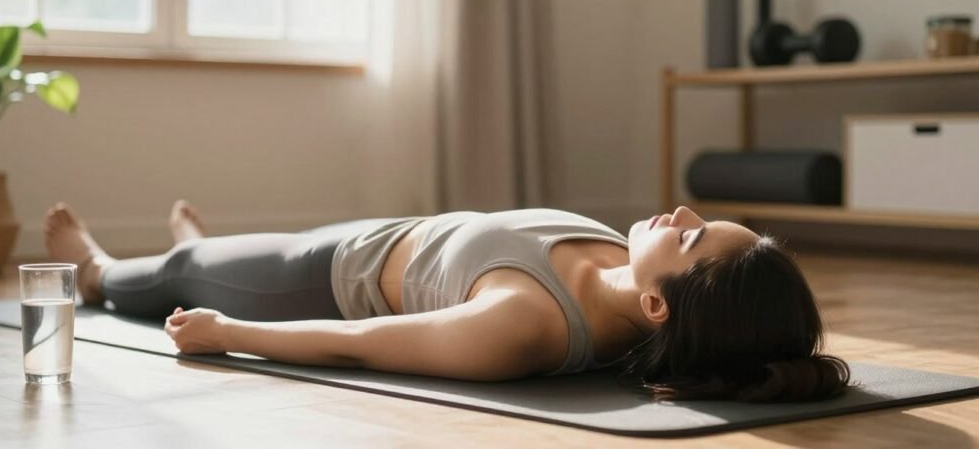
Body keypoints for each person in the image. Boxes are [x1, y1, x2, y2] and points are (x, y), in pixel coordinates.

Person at [44, 200, 850, 402]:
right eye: (697, 220)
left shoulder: (521, 324)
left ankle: (97, 268)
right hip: (386, 230)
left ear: (657, 306)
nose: (677, 216)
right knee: (209, 254)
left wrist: (231, 330)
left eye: (687, 236)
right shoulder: (623, 261)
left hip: (319, 274)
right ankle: (205, 246)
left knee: (185, 266)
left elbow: (362, 343)